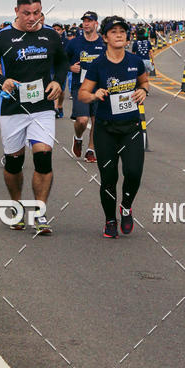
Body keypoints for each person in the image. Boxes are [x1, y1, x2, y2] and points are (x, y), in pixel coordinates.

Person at [0, 0, 68, 235]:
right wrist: (2, 81)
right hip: (12, 108)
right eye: (27, 13)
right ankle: (17, 206)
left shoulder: (50, 35)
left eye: (37, 13)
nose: (33, 18)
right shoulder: (3, 37)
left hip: (42, 107)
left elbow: (62, 62)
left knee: (43, 157)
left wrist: (58, 81)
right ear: (16, 11)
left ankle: (40, 213)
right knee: (14, 162)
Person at [79, 15, 148, 238]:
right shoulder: (98, 64)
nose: (119, 35)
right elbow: (82, 94)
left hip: (131, 128)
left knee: (133, 172)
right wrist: (94, 94)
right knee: (109, 178)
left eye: (122, 31)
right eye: (114, 31)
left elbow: (144, 81)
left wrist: (143, 91)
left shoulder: (135, 61)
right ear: (106, 37)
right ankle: (110, 220)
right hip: (105, 129)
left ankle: (126, 207)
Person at [66, 12, 105, 162]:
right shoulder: (74, 43)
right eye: (84, 21)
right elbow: (61, 61)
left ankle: (90, 150)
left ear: (96, 23)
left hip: (99, 88)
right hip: (80, 87)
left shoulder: (103, 43)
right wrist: (70, 68)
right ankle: (78, 137)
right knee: (82, 120)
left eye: (90, 21)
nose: (86, 24)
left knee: (97, 121)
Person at [52, 23, 69, 119]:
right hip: (50, 69)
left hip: (61, 69)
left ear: (62, 31)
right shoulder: (47, 40)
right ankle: (54, 108)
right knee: (54, 88)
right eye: (54, 29)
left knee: (61, 91)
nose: (56, 31)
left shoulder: (66, 42)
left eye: (58, 29)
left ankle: (60, 106)